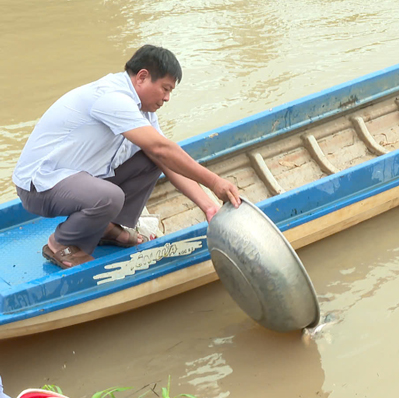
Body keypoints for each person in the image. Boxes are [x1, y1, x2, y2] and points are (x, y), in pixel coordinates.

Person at [12, 45, 241, 269]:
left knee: (153, 159)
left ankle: (105, 227)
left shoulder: (143, 110)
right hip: (38, 186)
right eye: (165, 88)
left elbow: (165, 157)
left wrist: (208, 206)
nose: (168, 98)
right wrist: (214, 181)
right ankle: (60, 243)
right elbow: (163, 148)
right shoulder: (112, 97)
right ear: (142, 77)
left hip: (74, 178)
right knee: (110, 196)